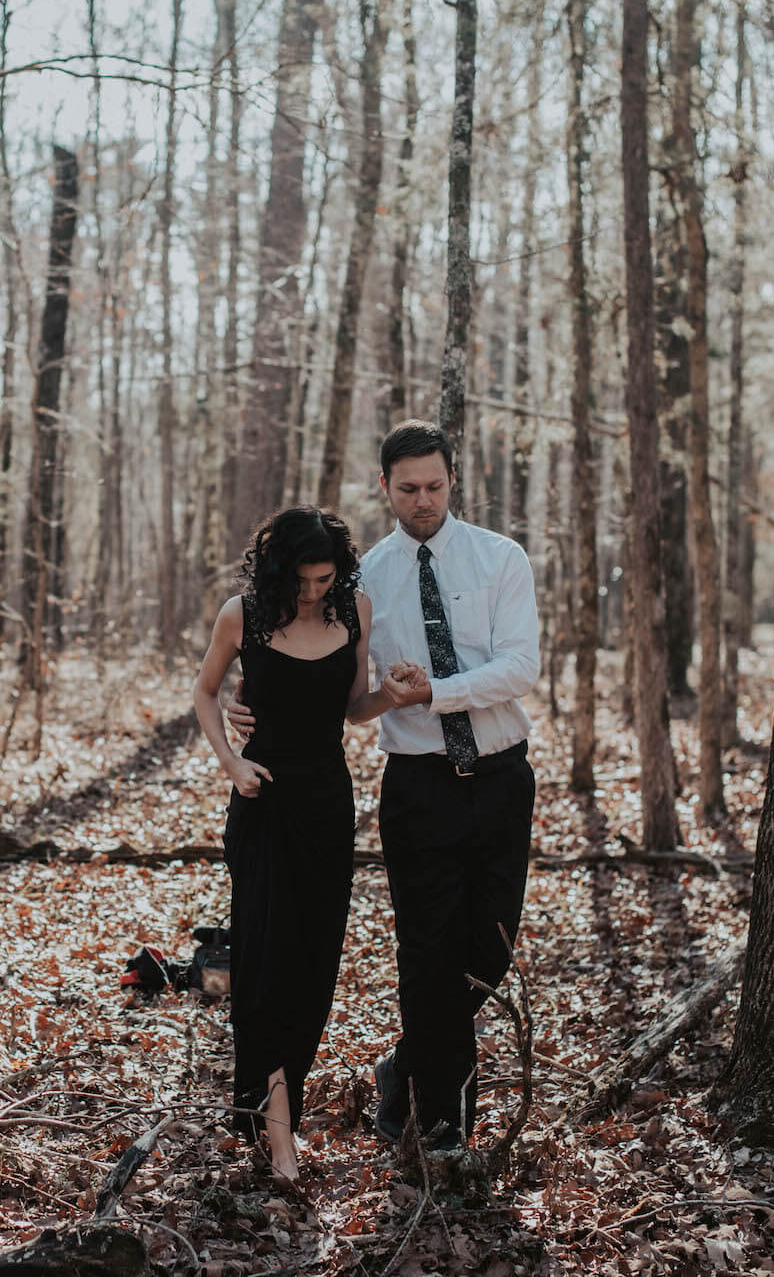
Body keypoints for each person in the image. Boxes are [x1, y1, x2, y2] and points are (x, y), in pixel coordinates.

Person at [229, 421, 540, 1152]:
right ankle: (440, 1127)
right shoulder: (361, 579)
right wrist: (250, 704)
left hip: (500, 778)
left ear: (452, 480)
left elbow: (520, 667)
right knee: (427, 952)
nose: (423, 499)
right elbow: (325, 676)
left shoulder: (501, 559)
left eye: (434, 485)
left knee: (487, 954)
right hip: (417, 787)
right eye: (408, 488)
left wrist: (438, 691)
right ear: (384, 488)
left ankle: (407, 1062)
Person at [192, 506, 405, 1183]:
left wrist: (390, 698)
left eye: (326, 578)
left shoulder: (355, 610)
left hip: (326, 803)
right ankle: (280, 1135)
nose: (316, 591)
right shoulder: (244, 615)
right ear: (282, 570)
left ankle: (267, 1111)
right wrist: (232, 762)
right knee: (265, 962)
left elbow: (350, 707)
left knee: (315, 967)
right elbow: (204, 692)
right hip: (262, 803)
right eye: (305, 579)